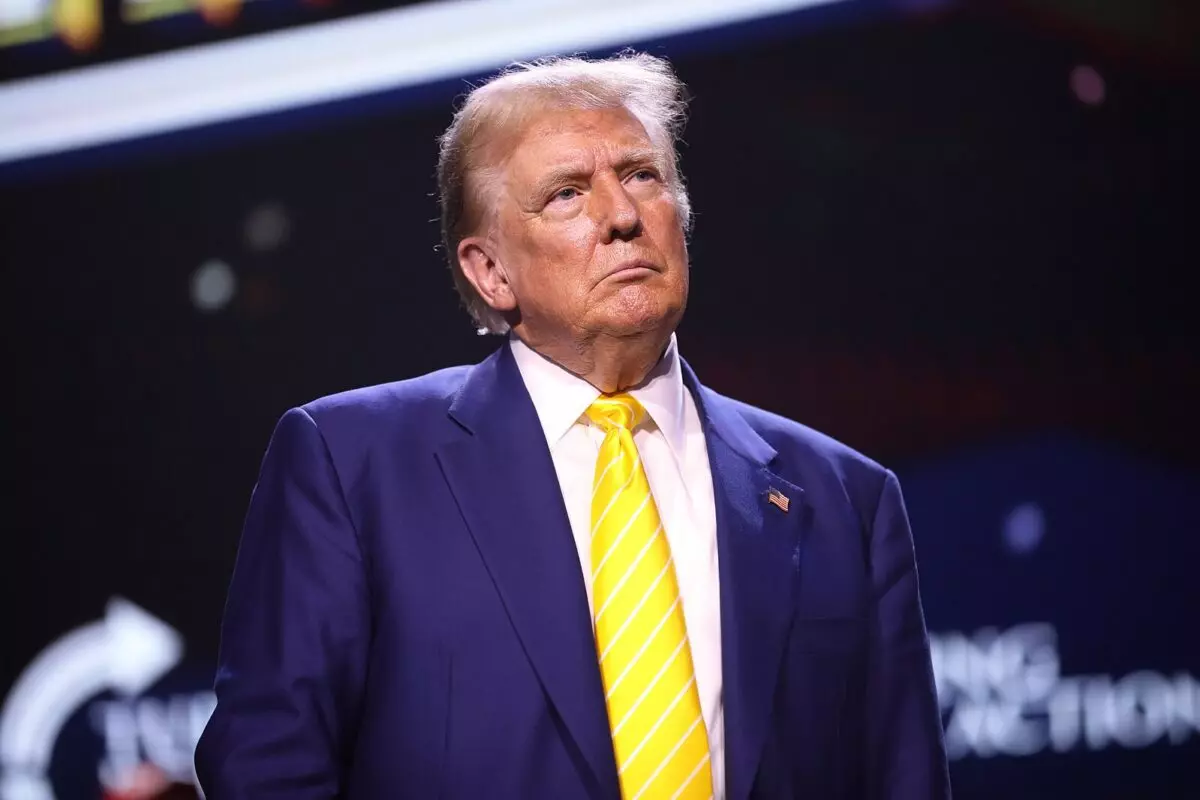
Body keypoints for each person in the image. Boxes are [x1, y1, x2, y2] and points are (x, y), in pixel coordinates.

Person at [194, 52, 950, 799]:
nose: (622, 217)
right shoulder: (354, 466)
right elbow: (268, 770)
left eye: (642, 175)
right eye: (566, 193)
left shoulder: (847, 500)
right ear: (491, 272)